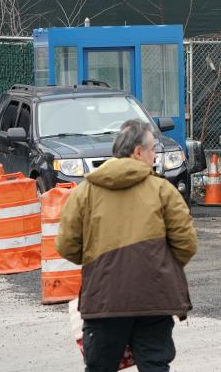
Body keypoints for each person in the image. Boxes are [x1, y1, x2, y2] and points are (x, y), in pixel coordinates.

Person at [57, 119, 197, 372]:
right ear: (138, 152)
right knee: (155, 365)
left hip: (104, 297)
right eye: (153, 149)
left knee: (100, 366)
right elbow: (186, 242)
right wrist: (159, 266)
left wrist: (98, 262)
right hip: (155, 297)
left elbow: (66, 244)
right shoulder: (162, 190)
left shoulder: (84, 192)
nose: (155, 156)